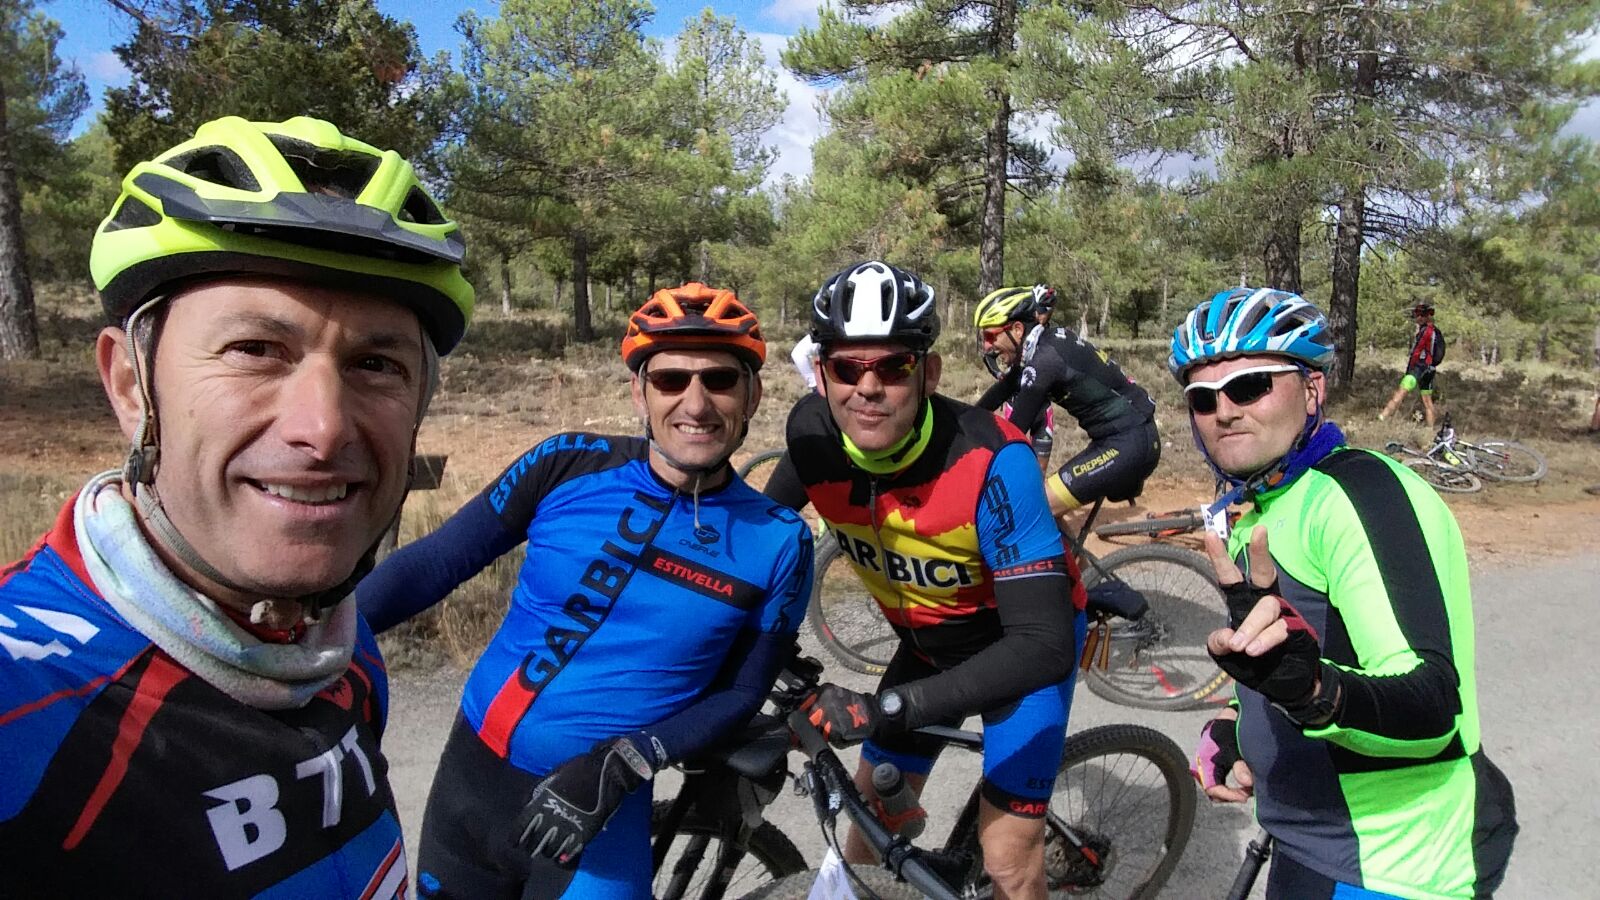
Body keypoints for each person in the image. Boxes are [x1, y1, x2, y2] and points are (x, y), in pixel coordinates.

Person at [0, 116, 474, 896]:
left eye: (375, 364)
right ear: (130, 384)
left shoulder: (335, 641)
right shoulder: (29, 704)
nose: (323, 428)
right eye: (255, 350)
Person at [357, 283, 813, 899]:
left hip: (601, 812)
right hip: (469, 787)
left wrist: (625, 761)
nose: (696, 403)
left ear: (752, 394)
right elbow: (436, 563)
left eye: (720, 380)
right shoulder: (567, 462)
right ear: (640, 392)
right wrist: (317, 635)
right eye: (671, 380)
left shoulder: (777, 539)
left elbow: (741, 692)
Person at [1172, 287, 1517, 899]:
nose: (1223, 410)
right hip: (1309, 841)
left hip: (1397, 864)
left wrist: (1311, 692)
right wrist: (1235, 722)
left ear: (1312, 390)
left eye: (1249, 386)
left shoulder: (1361, 495)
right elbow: (1299, 656)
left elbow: (1432, 705)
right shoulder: (1263, 506)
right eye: (1203, 396)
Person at [764, 261, 1087, 900]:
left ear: (929, 373)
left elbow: (1043, 645)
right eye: (847, 368)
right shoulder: (810, 436)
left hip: (1019, 653)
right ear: (821, 375)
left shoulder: (993, 460)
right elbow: (759, 545)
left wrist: (885, 708)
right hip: (927, 645)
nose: (868, 387)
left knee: (1007, 859)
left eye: (894, 367)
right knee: (866, 831)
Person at [973, 284, 1160, 519]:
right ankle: (1065, 545)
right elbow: (1004, 388)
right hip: (1125, 438)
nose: (987, 346)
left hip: (1128, 443)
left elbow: (1012, 434)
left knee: (1037, 509)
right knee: (1048, 506)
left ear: (1018, 329)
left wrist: (965, 454)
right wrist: (963, 419)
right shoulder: (1046, 344)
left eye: (991, 336)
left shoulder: (1045, 362)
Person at [1380, 302, 1446, 426]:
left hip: (1418, 368)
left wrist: (1409, 370)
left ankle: (1381, 419)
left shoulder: (1426, 331)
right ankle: (1430, 430)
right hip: (1430, 370)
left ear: (1426, 316)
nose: (1418, 318)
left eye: (1421, 315)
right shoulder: (1436, 331)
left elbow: (1417, 352)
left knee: (1399, 394)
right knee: (1428, 402)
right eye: (1417, 315)